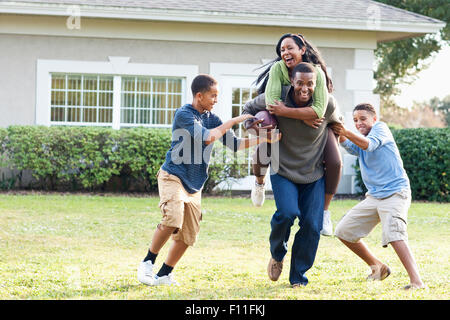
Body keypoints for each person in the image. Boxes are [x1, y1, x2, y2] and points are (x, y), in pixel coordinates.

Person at [137, 74, 281, 286]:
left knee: (189, 234)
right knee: (172, 218)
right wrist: (233, 121)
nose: (216, 100)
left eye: (217, 96)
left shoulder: (213, 118)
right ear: (199, 95)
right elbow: (207, 137)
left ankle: (165, 274)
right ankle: (148, 263)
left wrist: (265, 138)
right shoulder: (184, 114)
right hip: (173, 176)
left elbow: (235, 144)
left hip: (195, 185)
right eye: (213, 96)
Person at [243, 62, 343, 287]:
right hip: (283, 169)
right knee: (287, 214)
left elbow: (339, 126)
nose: (304, 88)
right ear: (291, 82)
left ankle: (298, 277)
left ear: (316, 85)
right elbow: (246, 111)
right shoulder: (277, 100)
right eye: (299, 83)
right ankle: (277, 253)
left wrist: (339, 137)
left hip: (313, 173)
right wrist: (256, 129)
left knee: (312, 226)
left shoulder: (326, 104)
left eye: (310, 84)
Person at [249, 33, 341, 237]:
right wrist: (299, 116)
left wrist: (308, 117)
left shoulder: (315, 72)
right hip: (282, 120)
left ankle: (325, 210)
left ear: (302, 50)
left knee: (335, 161)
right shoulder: (278, 70)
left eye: (290, 48)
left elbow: (319, 110)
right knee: (266, 134)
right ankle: (259, 181)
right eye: (282, 50)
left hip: (319, 125)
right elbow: (273, 103)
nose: (285, 52)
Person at [331, 103, 425, 290]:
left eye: (363, 119)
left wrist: (347, 132)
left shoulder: (381, 129)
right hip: (374, 197)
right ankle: (378, 267)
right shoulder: (361, 138)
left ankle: (417, 282)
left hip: (395, 193)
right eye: (355, 120)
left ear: (374, 118)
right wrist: (336, 128)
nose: (359, 123)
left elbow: (369, 145)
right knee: (344, 231)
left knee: (394, 234)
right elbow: (351, 146)